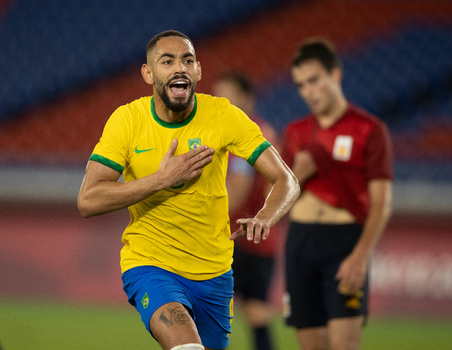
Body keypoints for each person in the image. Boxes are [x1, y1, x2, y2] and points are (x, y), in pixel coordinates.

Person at [77, 30, 300, 350]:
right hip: (151, 265)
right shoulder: (127, 121)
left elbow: (287, 180)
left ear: (198, 71)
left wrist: (266, 216)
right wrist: (160, 179)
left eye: (187, 60)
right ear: (148, 73)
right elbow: (88, 200)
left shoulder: (224, 116)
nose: (179, 67)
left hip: (214, 273)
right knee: (186, 345)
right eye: (167, 61)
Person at [281, 38, 394, 350]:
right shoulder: (294, 132)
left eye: (314, 80)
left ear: (335, 74)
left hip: (344, 243)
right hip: (300, 243)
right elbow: (272, 196)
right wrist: (298, 176)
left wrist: (360, 257)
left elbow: (382, 204)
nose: (308, 91)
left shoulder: (369, 130)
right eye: (300, 85)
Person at [212, 73, 282, 350]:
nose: (220, 103)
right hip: (255, 239)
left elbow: (239, 187)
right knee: (254, 314)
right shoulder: (251, 132)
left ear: (246, 98)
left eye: (226, 96)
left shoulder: (250, 134)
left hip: (241, 238)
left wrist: (202, 217)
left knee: (213, 311)